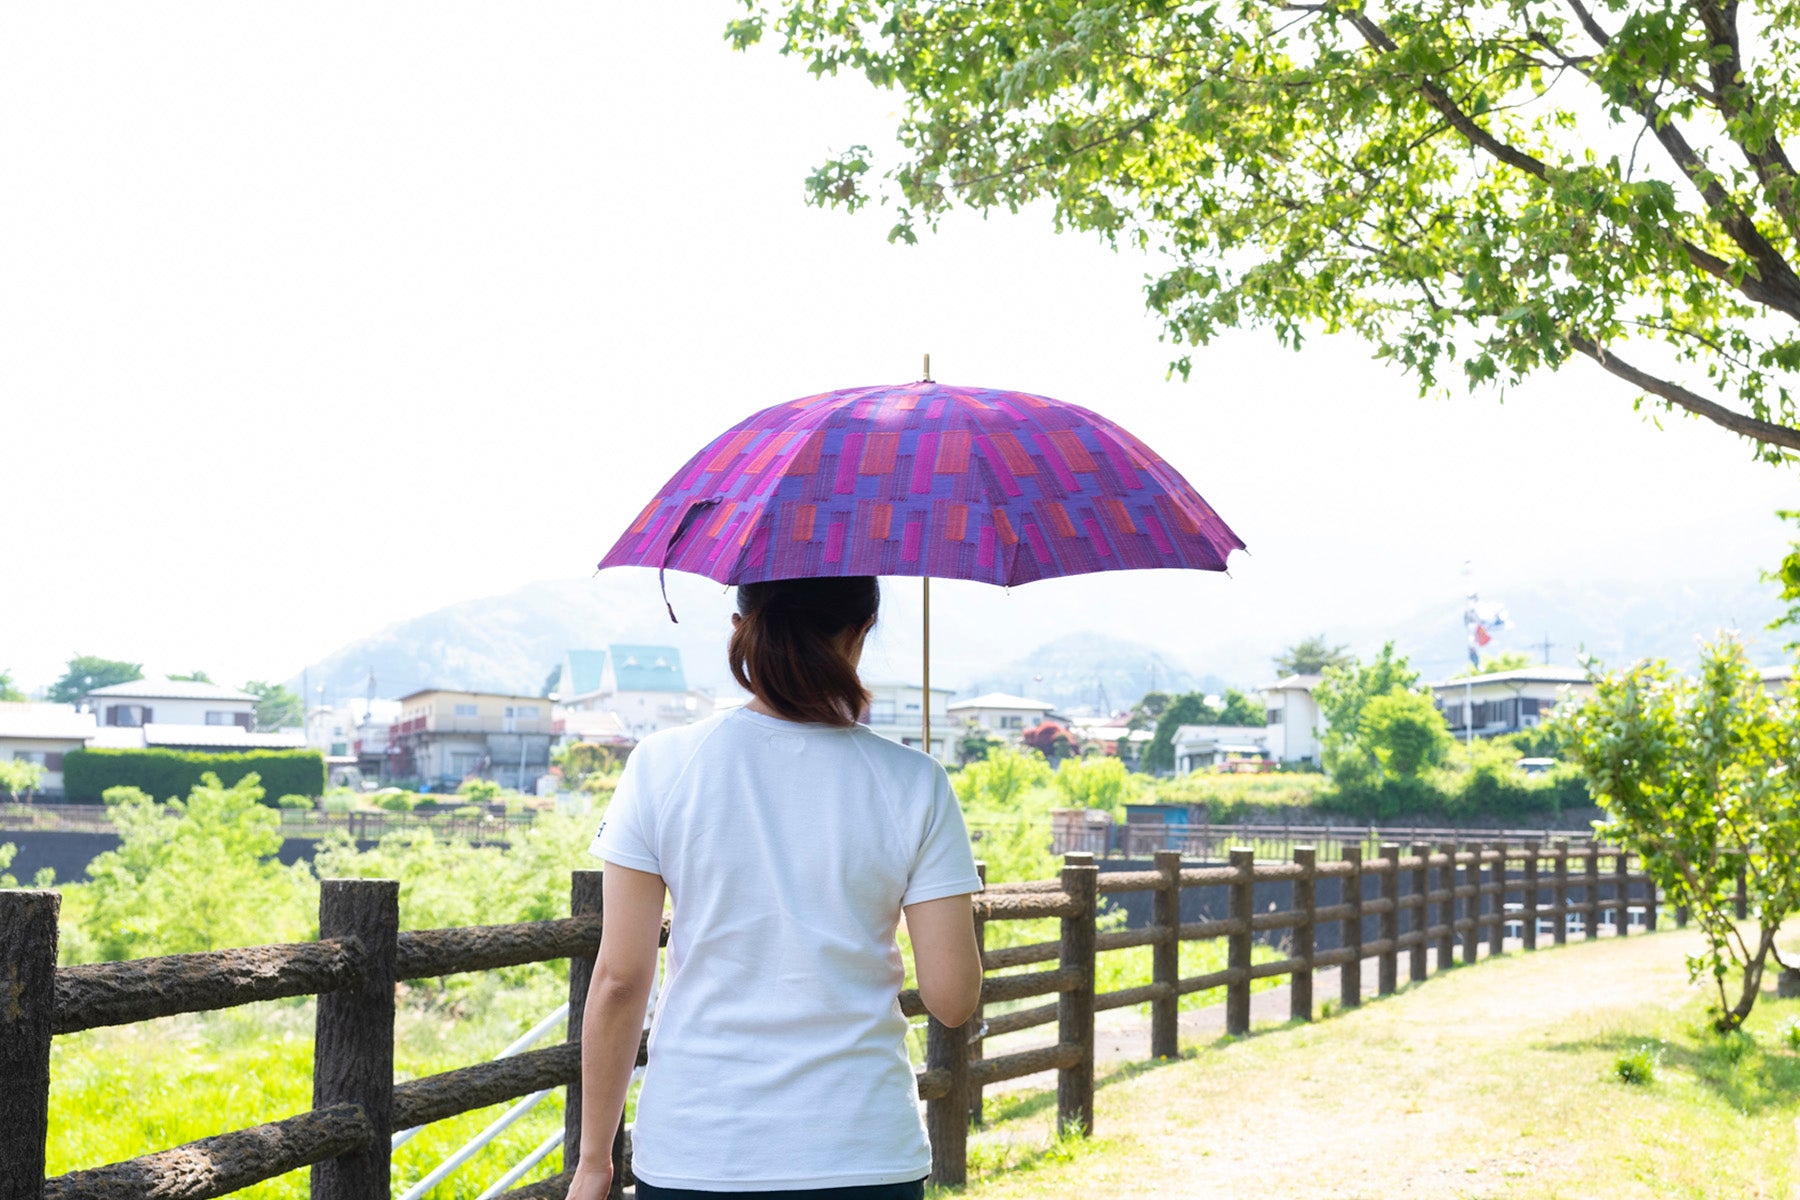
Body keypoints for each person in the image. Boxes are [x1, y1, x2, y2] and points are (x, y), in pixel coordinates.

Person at [566, 575, 985, 1200]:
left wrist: (595, 1160)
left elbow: (621, 980)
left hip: (698, 1151)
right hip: (864, 1150)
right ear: (860, 633)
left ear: (742, 630)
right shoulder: (916, 782)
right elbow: (953, 999)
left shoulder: (662, 764)